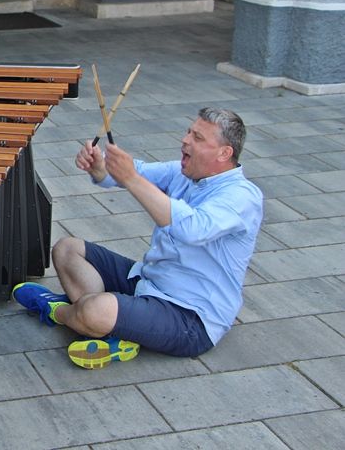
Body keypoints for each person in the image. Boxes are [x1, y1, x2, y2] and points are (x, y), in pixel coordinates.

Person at [14, 108, 263, 369]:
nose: (185, 140)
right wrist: (100, 168)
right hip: (148, 281)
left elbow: (192, 228)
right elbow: (137, 171)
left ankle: (61, 312)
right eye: (189, 132)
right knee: (67, 249)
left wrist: (131, 178)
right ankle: (107, 327)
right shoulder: (184, 172)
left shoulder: (242, 196)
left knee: (93, 310)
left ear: (224, 153)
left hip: (189, 316)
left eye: (198, 138)